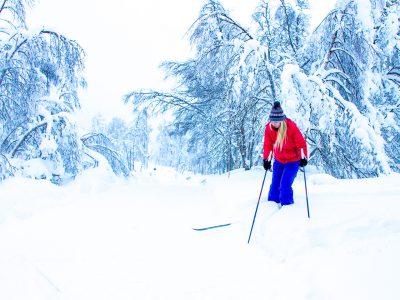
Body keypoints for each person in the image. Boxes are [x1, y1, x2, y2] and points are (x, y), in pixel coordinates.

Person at [263, 101, 308, 207]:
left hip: (293, 161)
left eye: (276, 121)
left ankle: (287, 208)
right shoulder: (269, 128)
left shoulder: (291, 127)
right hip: (279, 160)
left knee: (284, 184)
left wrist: (303, 157)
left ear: (281, 121)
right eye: (272, 121)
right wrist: (266, 160)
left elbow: (301, 143)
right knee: (275, 185)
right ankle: (271, 207)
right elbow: (267, 145)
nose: (274, 123)